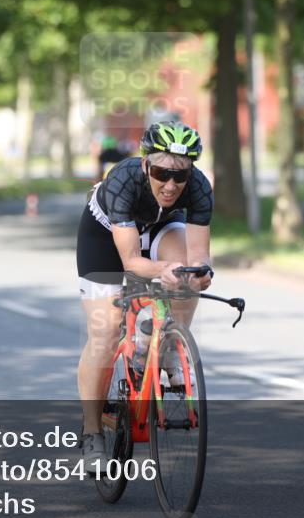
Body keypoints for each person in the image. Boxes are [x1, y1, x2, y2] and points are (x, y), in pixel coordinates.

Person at [75, 121, 214, 470]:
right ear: (145, 164)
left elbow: (199, 254)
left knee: (184, 269)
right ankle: (92, 433)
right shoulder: (123, 180)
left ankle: (166, 344)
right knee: (105, 331)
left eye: (179, 176)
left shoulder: (198, 188)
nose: (170, 185)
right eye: (162, 173)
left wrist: (199, 273)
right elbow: (131, 262)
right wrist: (161, 270)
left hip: (161, 226)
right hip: (106, 237)